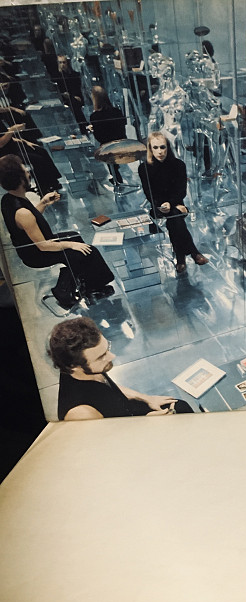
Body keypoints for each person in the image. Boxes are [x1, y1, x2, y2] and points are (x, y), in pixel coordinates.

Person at [0, 155, 114, 307]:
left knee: (75, 237)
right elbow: (43, 246)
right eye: (25, 171)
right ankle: (75, 288)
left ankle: (83, 282)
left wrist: (43, 203)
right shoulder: (22, 213)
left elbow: (30, 222)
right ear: (19, 179)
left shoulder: (9, 198)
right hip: (36, 254)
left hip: (37, 244)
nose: (28, 172)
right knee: (86, 252)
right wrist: (71, 245)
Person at [47, 316, 193, 420]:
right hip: (129, 431)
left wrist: (146, 398)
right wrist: (148, 422)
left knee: (180, 406)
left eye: (107, 348)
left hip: (127, 411)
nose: (112, 356)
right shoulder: (81, 414)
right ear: (74, 366)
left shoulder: (85, 370)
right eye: (101, 357)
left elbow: (108, 388)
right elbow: (114, 445)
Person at [138, 131, 208, 273]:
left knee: (174, 219)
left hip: (176, 203)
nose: (159, 151)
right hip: (158, 206)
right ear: (150, 149)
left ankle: (180, 258)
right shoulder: (144, 168)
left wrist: (171, 203)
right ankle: (193, 252)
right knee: (175, 218)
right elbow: (149, 193)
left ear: (167, 147)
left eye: (162, 147)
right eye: (155, 147)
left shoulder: (178, 165)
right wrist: (161, 205)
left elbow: (181, 190)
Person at [0, 117, 62, 195]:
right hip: (6, 152)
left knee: (41, 151)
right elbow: (1, 143)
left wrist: (24, 141)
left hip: (13, 146)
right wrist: (12, 130)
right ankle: (43, 187)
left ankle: (53, 181)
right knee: (37, 159)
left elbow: (6, 136)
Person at [88, 85, 127, 184]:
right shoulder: (117, 111)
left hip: (109, 147)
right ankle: (116, 175)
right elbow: (122, 127)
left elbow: (99, 137)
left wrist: (93, 130)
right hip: (123, 143)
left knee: (104, 147)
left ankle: (116, 178)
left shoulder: (95, 116)